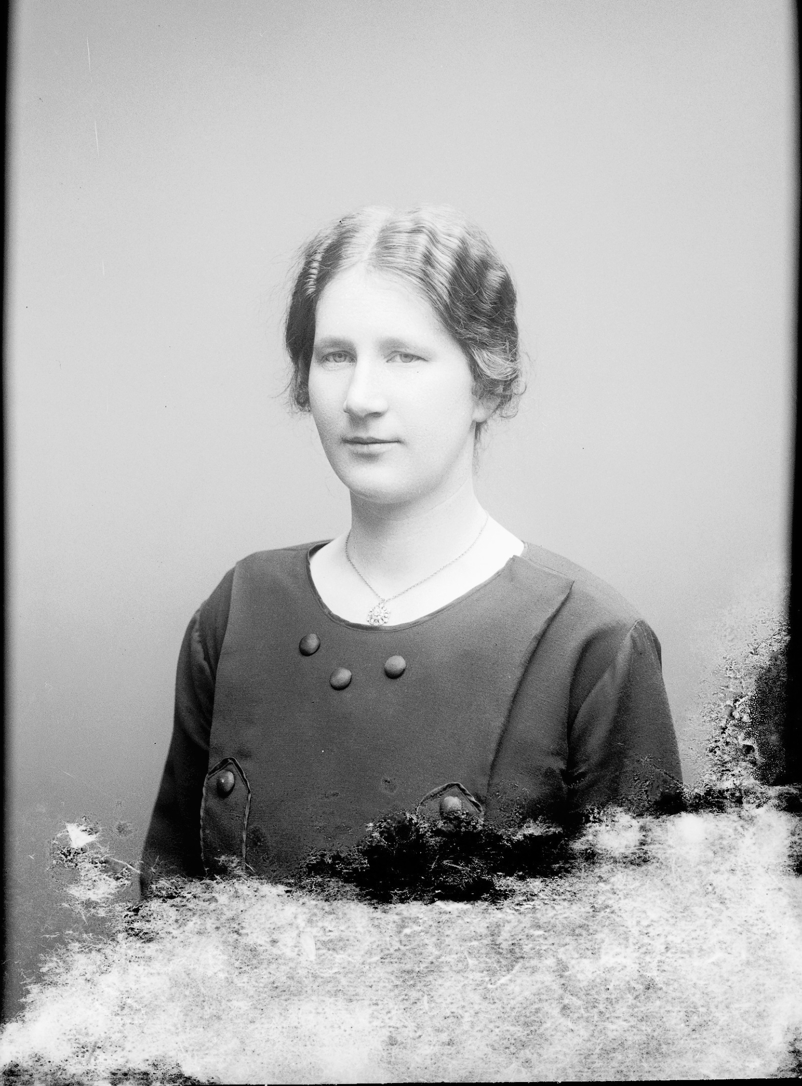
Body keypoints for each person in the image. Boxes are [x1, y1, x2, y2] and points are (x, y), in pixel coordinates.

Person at [141, 205, 681, 888]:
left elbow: (638, 939)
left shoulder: (592, 645)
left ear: (485, 384)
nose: (361, 397)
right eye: (336, 356)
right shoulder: (241, 609)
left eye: (404, 356)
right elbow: (167, 909)